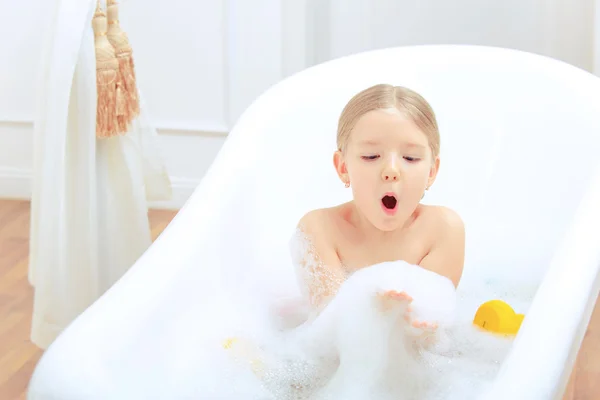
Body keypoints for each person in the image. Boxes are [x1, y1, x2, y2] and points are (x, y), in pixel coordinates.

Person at [292, 83, 466, 334]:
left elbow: (432, 336)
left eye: (410, 158)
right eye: (371, 156)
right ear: (343, 167)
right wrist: (372, 316)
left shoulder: (442, 230)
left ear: (431, 171)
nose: (391, 171)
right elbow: (329, 334)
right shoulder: (319, 230)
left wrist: (417, 333)